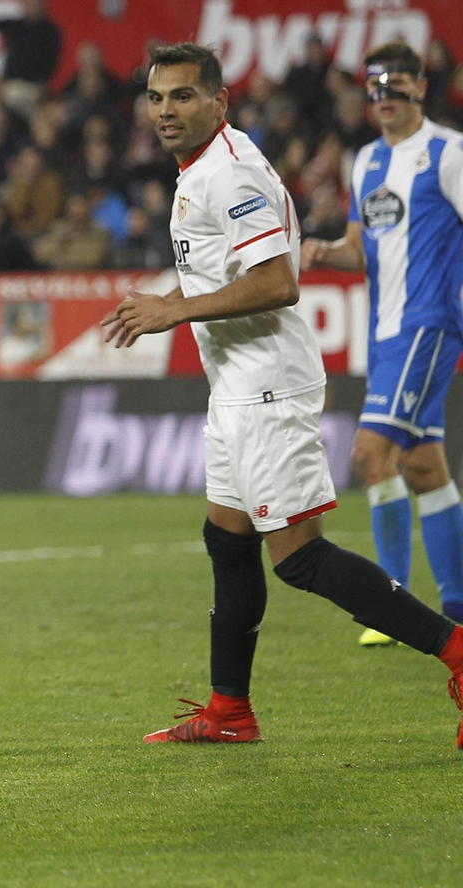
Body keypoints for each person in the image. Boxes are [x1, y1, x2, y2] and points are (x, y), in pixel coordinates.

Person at [101, 43, 463, 746]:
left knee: (299, 557)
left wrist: (174, 311)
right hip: (236, 382)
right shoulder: (205, 166)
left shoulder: (228, 174)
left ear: (219, 101)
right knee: (227, 540)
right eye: (156, 97)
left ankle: (456, 650)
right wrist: (173, 300)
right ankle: (229, 711)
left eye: (182, 96)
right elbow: (230, 272)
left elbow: (278, 280)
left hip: (265, 384)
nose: (166, 111)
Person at [302, 41, 463, 647]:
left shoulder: (448, 153)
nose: (385, 98)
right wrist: (324, 250)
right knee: (423, 465)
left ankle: (390, 605)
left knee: (371, 455)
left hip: (428, 324)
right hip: (385, 333)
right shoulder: (366, 160)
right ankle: (457, 602)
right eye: (376, 88)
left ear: (422, 88)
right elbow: (358, 247)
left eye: (397, 86)